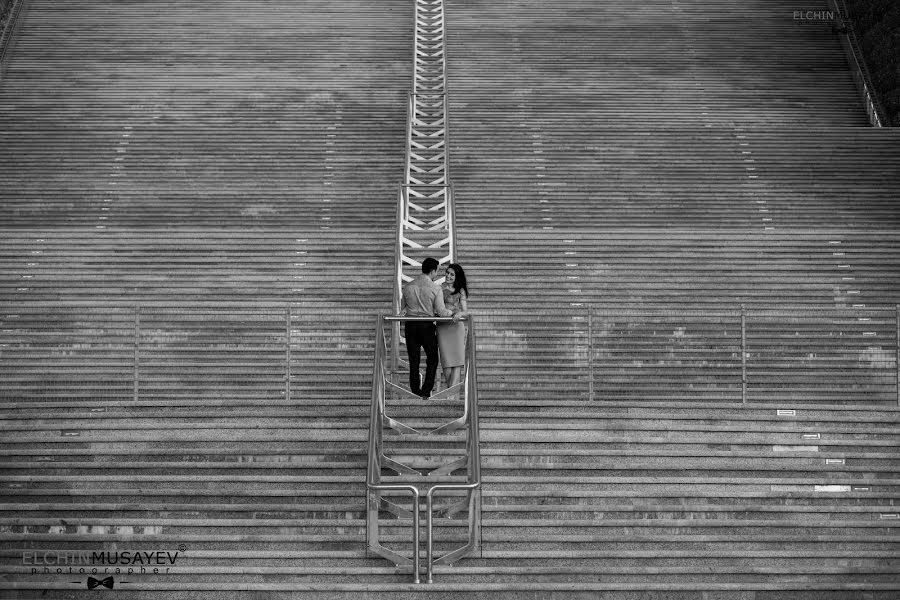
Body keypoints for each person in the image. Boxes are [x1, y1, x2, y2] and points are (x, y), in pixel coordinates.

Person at [399, 257, 452, 399]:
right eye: (437, 271)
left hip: (410, 325)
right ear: (433, 271)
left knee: (413, 360)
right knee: (433, 358)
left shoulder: (408, 286)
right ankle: (426, 390)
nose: (437, 274)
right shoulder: (435, 288)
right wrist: (452, 313)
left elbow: (402, 308)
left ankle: (415, 391)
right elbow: (441, 311)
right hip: (427, 325)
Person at [437, 263, 469, 396]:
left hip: (456, 328)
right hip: (443, 327)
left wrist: (460, 313)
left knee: (457, 361)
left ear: (457, 277)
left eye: (452, 274)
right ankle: (451, 395)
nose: (448, 276)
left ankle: (449, 396)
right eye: (447, 273)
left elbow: (466, 311)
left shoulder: (460, 290)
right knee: (446, 361)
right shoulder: (438, 288)